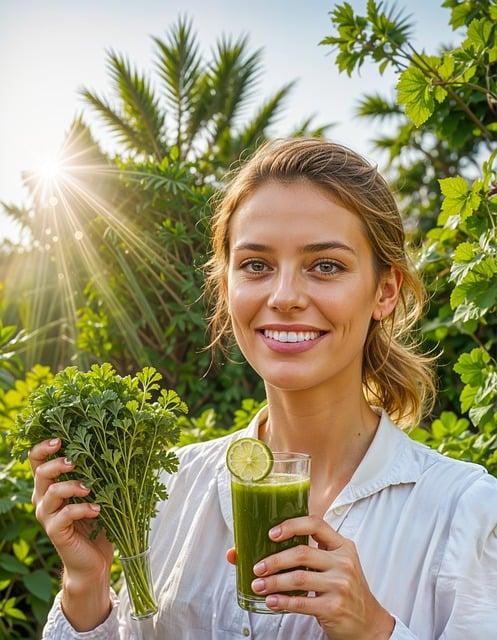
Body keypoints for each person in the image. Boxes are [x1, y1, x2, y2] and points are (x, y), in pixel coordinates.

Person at [32, 138, 497, 639]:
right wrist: (87, 583)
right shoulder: (167, 491)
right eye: (257, 265)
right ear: (226, 285)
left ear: (385, 291)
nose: (285, 297)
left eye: (326, 266)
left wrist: (373, 629)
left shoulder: (463, 511)